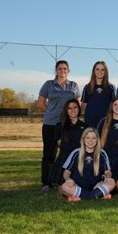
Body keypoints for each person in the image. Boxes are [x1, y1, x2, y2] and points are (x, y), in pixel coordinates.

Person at [37, 60, 81, 192]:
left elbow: (77, 104)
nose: (62, 71)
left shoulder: (73, 85)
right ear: (56, 70)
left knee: (67, 153)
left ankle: (61, 180)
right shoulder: (48, 84)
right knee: (49, 154)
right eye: (60, 69)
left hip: (67, 125)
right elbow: (40, 103)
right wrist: (52, 112)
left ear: (68, 70)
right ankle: (46, 183)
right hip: (51, 124)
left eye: (65, 69)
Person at [61, 128, 115, 202]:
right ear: (83, 139)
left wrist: (108, 177)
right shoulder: (76, 152)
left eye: (93, 138)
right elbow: (66, 172)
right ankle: (96, 195)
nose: (90, 141)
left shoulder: (102, 153)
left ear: (97, 140)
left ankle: (81, 196)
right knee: (64, 186)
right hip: (78, 186)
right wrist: (68, 179)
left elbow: (107, 172)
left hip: (96, 186)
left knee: (112, 182)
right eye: (88, 138)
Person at [49, 99, 86, 187]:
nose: (73, 110)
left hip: (80, 159)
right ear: (66, 110)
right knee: (63, 186)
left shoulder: (85, 126)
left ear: (79, 109)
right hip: (64, 159)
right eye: (69, 108)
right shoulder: (59, 126)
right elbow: (61, 145)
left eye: (75, 107)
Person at [81, 61, 116, 128]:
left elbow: (114, 105)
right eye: (97, 69)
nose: (100, 71)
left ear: (106, 72)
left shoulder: (111, 87)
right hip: (90, 121)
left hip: (106, 121)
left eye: (102, 69)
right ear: (94, 71)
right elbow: (84, 106)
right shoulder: (87, 87)